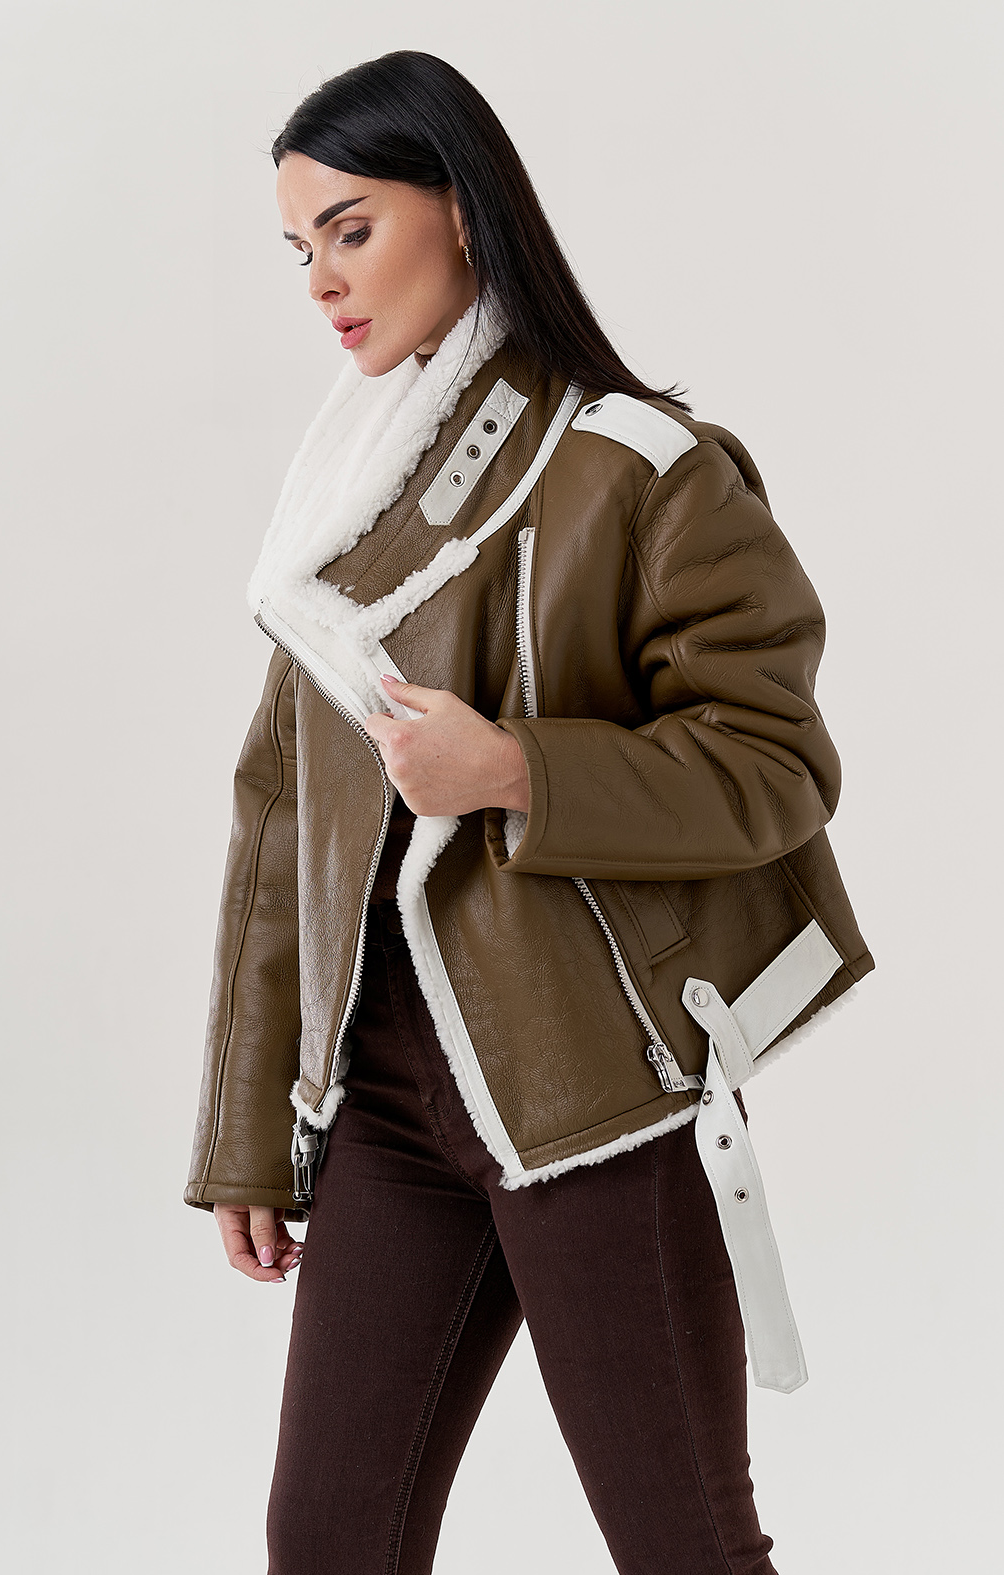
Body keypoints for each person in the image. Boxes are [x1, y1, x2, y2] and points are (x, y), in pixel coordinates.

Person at [184, 49, 874, 1575]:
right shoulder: (336, 512)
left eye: (350, 229)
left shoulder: (643, 471)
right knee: (327, 1542)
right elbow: (277, 822)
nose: (321, 280)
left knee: (682, 1545)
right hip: (383, 1100)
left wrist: (515, 772)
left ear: (461, 207)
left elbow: (775, 766)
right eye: (299, 248)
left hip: (588, 1093)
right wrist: (245, 1130)